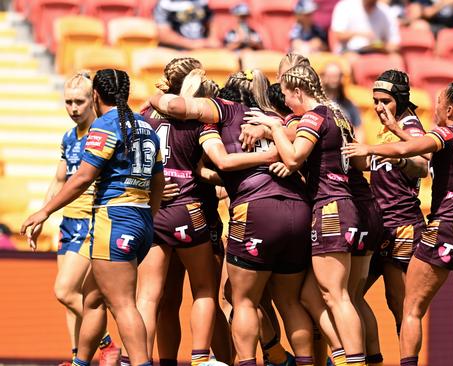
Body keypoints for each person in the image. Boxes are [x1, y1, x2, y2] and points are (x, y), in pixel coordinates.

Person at [344, 82, 453, 366]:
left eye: (438, 102)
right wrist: (397, 130)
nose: (435, 108)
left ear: (449, 109)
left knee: (411, 309)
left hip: (447, 227)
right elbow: (423, 150)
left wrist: (369, 147)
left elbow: (413, 149)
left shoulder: (447, 131)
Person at [150, 69, 316, 366]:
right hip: (300, 208)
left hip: (255, 209)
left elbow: (221, 158)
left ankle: (252, 360)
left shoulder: (222, 111)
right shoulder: (277, 118)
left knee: (239, 299)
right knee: (290, 301)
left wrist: (156, 96)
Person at [22, 69, 165, 366]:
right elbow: (158, 181)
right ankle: (81, 362)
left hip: (113, 220)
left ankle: (140, 362)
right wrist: (147, 218)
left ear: (96, 95)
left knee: (123, 305)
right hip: (140, 220)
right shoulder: (146, 128)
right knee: (92, 299)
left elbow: (83, 177)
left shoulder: (104, 127)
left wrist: (45, 210)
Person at [245, 64, 367, 366]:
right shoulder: (337, 112)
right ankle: (341, 357)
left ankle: (355, 361)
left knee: (337, 295)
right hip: (340, 204)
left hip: (330, 207)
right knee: (312, 295)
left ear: (299, 91)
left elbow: (294, 156)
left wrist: (272, 128)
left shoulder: (313, 116)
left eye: (287, 96)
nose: (286, 103)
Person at [135, 57, 228, 366]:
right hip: (193, 210)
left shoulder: (145, 114)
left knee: (153, 298)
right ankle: (202, 359)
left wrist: (152, 190)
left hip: (155, 211)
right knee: (204, 291)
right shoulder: (200, 116)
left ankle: (143, 360)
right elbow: (217, 163)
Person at [29, 71, 120, 366]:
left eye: (79, 102)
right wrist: (43, 214)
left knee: (65, 291)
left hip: (92, 222)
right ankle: (77, 358)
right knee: (72, 301)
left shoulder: (102, 133)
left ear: (93, 99)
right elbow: (59, 179)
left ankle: (108, 345)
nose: (73, 108)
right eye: (68, 102)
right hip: (68, 222)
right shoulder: (69, 137)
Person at [361, 70, 428, 353]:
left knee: (400, 305)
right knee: (348, 295)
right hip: (380, 225)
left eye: (385, 100)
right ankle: (370, 358)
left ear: (400, 99)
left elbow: (423, 165)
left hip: (402, 225)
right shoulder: (384, 128)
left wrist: (399, 158)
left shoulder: (410, 126)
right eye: (375, 100)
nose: (379, 107)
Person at [330, 0, 401, 55]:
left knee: (395, 59)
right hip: (348, 51)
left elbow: (394, 42)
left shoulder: (386, 11)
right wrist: (359, 34)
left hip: (378, 53)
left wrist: (385, 47)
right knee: (353, 59)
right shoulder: (345, 6)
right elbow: (339, 35)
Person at [153, 0, 219, 50]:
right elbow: (164, 35)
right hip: (174, 50)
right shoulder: (165, 4)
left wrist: (212, 39)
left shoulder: (201, 2)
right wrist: (191, 44)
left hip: (201, 49)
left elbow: (210, 21)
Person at [321, 62, 362, 128]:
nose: (334, 79)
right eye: (330, 75)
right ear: (323, 77)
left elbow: (359, 129)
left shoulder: (349, 105)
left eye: (337, 75)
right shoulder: (316, 103)